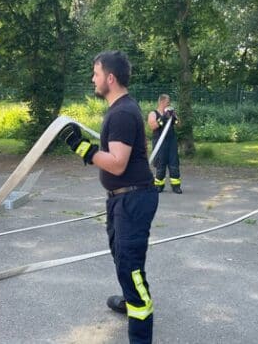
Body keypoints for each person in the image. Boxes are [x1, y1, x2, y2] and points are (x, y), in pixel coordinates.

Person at [59, 50, 158, 344]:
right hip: (121, 199)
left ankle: (140, 322)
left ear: (110, 78)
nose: (93, 79)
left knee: (130, 266)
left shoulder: (123, 113)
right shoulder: (119, 110)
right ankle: (131, 300)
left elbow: (117, 163)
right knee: (121, 258)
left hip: (133, 200)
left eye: (96, 74)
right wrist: (85, 146)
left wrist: (81, 148)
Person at [147, 94, 182, 194]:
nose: (169, 103)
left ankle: (176, 186)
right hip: (159, 142)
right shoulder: (153, 113)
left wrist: (175, 117)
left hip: (171, 142)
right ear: (161, 102)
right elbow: (153, 126)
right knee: (160, 164)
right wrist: (163, 118)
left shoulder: (171, 113)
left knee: (174, 164)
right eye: (167, 102)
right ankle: (159, 186)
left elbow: (180, 125)